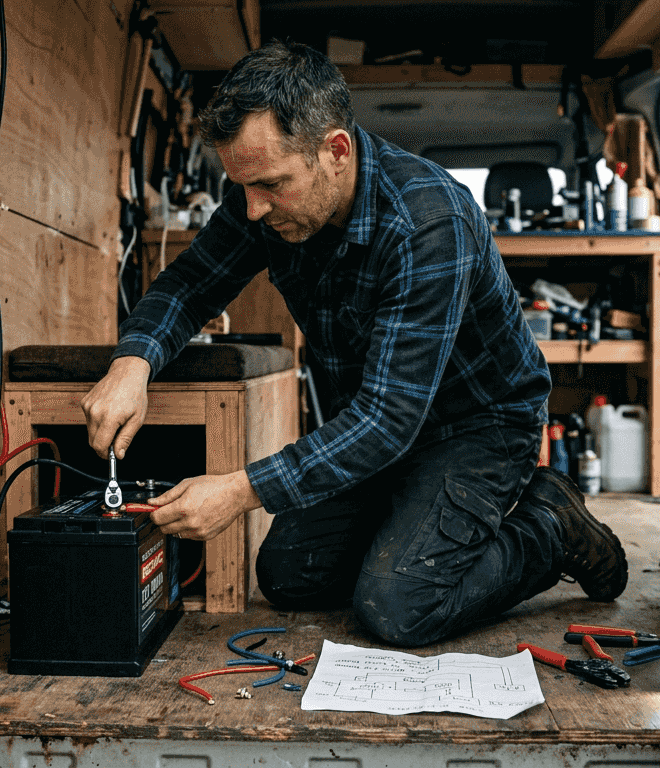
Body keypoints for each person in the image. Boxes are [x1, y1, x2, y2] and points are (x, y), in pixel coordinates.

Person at [81, 40, 627, 646]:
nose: (253, 210)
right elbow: (190, 284)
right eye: (243, 186)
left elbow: (388, 419)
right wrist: (132, 363)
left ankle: (549, 524)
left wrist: (238, 491)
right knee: (288, 575)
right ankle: (418, 524)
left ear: (335, 151)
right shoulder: (262, 196)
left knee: (398, 606)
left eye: (271, 185)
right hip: (377, 429)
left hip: (478, 429)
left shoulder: (427, 223)